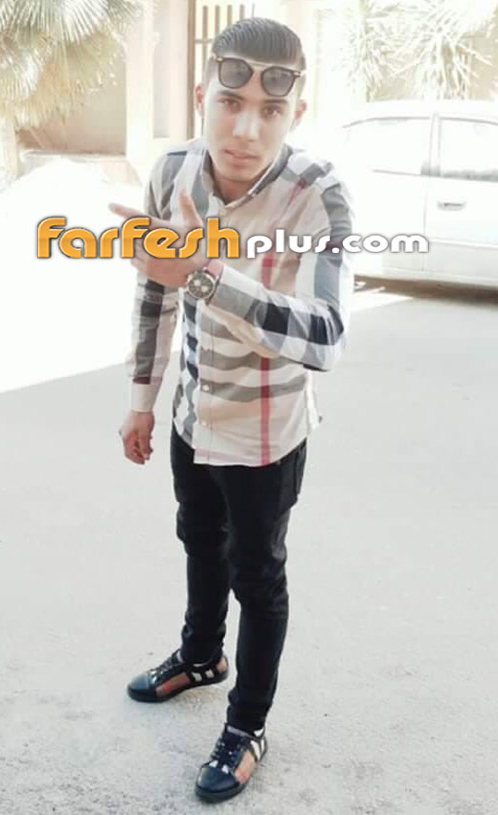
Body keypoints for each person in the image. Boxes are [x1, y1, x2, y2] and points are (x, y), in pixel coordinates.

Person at [111, 16, 354, 803]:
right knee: (198, 539)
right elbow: (154, 293)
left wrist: (207, 274)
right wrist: (142, 401)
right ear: (201, 97)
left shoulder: (317, 193)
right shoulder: (172, 172)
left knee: (259, 573)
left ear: (296, 113)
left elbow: (325, 335)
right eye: (230, 102)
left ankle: (248, 723)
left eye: (270, 110)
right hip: (193, 412)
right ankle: (200, 654)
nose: (247, 130)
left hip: (267, 432)